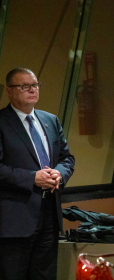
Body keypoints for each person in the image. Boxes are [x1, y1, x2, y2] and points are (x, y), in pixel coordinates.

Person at [0, 68, 75, 279]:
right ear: (9, 91)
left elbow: (67, 158)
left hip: (49, 214)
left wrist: (59, 174)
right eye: (24, 86)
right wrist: (33, 177)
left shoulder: (50, 120)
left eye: (35, 85)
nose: (32, 90)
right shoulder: (2, 122)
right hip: (15, 219)